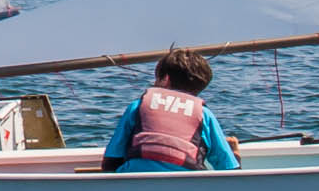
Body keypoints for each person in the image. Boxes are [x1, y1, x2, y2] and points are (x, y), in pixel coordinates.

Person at [101, 47, 241, 172]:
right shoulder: (204, 114)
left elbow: (110, 163)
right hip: (187, 187)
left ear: (165, 79)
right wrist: (234, 152)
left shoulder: (137, 106)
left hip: (136, 184)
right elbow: (230, 170)